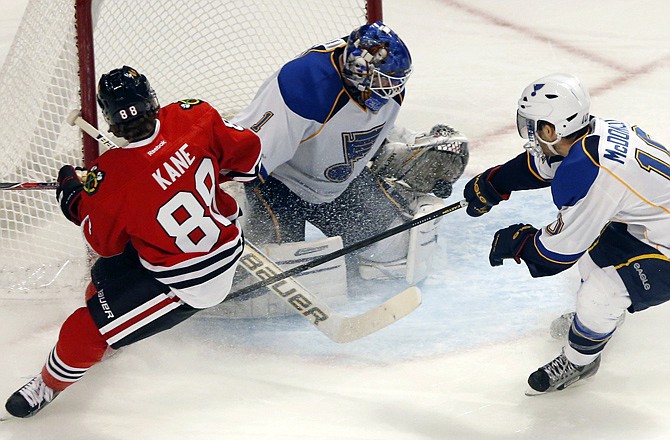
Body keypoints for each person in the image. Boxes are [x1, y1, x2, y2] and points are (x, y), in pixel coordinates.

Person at [4, 66, 262, 418]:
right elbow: (248, 157)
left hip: (191, 281)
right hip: (222, 238)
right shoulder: (194, 115)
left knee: (84, 327)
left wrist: (72, 186)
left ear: (110, 120)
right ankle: (113, 335)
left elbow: (102, 237)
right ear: (151, 101)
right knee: (105, 278)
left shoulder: (109, 175)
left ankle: (48, 383)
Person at [463, 73, 670, 394]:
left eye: (532, 126)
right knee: (594, 253)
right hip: (652, 225)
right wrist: (496, 182)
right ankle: (599, 322)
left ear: (550, 129)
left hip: (664, 246)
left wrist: (517, 243)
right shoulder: (593, 135)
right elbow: (549, 164)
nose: (529, 133)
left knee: (601, 291)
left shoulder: (592, 173)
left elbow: (554, 255)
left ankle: (579, 361)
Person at [231, 21, 468, 299]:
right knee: (265, 282)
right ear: (359, 68)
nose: (390, 90)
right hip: (276, 184)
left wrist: (405, 155)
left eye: (394, 82)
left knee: (397, 249)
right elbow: (245, 150)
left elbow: (359, 137)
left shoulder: (387, 89)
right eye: (383, 81)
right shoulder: (304, 85)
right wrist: (227, 204)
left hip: (337, 187)